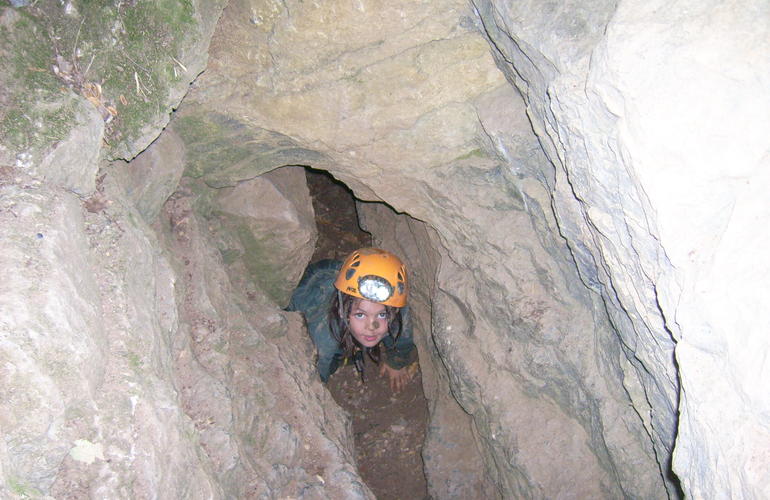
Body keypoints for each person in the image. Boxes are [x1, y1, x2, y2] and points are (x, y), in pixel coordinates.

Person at [288, 248, 415, 392]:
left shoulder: (395, 303)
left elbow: (403, 336)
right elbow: (317, 375)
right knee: (334, 360)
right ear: (343, 310)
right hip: (318, 280)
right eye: (360, 315)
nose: (372, 326)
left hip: (351, 278)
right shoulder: (324, 335)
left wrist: (396, 362)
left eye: (382, 315)